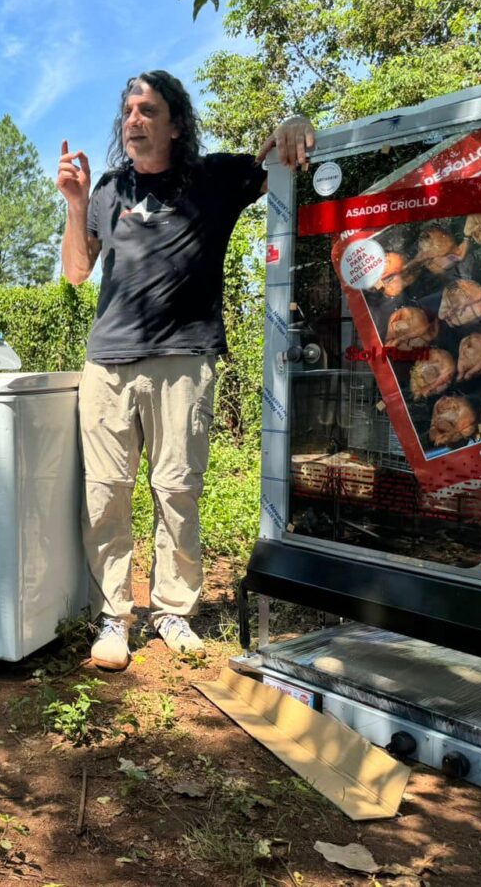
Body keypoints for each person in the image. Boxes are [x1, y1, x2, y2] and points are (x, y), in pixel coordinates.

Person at [58, 70, 315, 671]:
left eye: (146, 110)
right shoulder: (108, 191)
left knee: (177, 490)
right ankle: (113, 617)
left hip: (184, 358)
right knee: (105, 495)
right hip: (108, 364)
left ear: (175, 123)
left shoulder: (214, 177)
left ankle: (172, 608)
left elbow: (279, 154)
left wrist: (293, 125)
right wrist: (74, 204)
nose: (132, 119)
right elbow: (75, 270)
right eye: (127, 110)